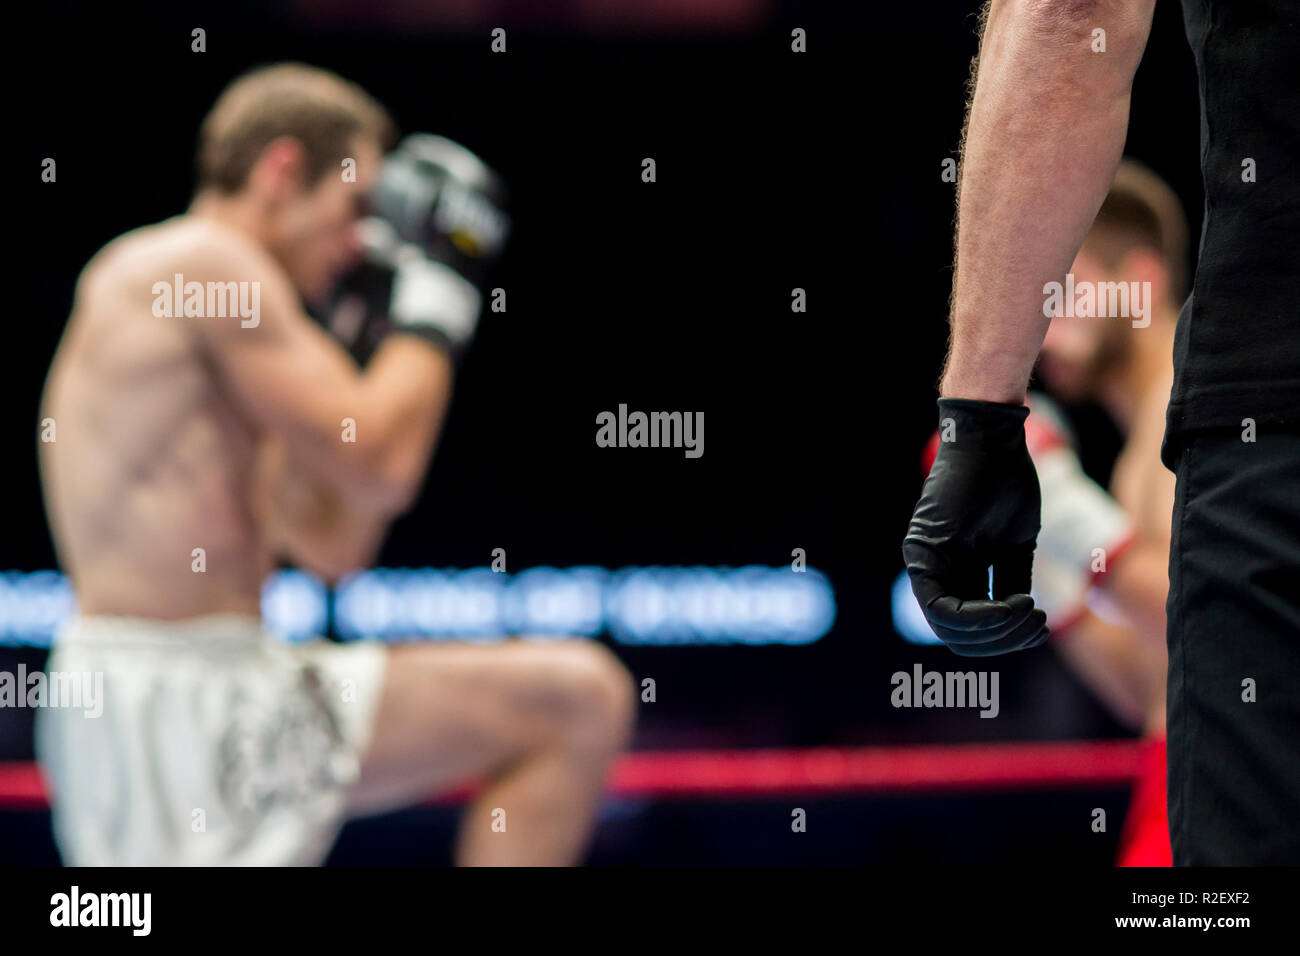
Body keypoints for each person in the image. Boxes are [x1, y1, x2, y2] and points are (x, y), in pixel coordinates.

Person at [35, 62, 635, 866]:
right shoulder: (200, 265)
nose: (360, 241)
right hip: (172, 688)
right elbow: (382, 463)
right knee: (574, 699)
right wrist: (438, 299)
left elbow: (331, 549)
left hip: (229, 681)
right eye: (355, 206)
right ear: (283, 171)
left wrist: (364, 344)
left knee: (573, 702)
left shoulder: (244, 329)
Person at [904, 1, 1300, 864]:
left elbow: (1202, 622)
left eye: (1062, 281)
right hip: (1183, 769)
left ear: (1140, 278)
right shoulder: (1135, 457)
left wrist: (1003, 442)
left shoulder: (1204, 430)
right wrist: (1058, 563)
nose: (1042, 311)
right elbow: (1158, 685)